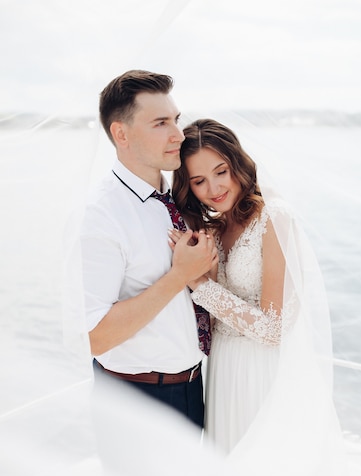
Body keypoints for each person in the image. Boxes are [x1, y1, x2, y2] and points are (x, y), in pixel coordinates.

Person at [171, 118, 331, 453]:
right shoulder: (215, 229)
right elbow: (215, 320)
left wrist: (198, 282)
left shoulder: (275, 218)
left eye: (221, 171)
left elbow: (273, 329)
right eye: (199, 181)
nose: (214, 188)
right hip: (223, 369)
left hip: (262, 371)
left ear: (237, 164)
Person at [80, 71, 217, 428]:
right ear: (121, 134)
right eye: (160, 123)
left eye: (176, 119)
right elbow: (95, 337)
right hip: (136, 403)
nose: (178, 134)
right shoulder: (101, 215)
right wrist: (179, 276)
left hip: (193, 388)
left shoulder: (177, 198)